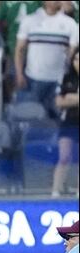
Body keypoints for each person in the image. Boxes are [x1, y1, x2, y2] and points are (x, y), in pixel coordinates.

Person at [16, 1, 79, 117]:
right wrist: (19, 73)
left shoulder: (70, 24)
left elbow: (73, 53)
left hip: (58, 82)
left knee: (55, 121)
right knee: (31, 119)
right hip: (33, 79)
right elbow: (20, 49)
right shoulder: (29, 21)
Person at [53, 50, 79, 197]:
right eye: (75, 59)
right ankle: (56, 191)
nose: (78, 63)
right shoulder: (67, 79)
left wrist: (71, 98)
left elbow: (67, 99)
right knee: (64, 157)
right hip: (69, 122)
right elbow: (59, 101)